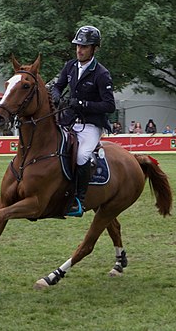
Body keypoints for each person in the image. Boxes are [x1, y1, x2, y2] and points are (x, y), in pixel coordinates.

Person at [52, 25, 115, 216]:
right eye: (78, 45)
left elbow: (109, 105)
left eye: (84, 46)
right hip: (70, 120)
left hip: (91, 124)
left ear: (94, 48)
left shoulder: (102, 74)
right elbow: (57, 86)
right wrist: (55, 96)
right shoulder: (70, 66)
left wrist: (82, 103)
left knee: (81, 156)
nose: (79, 49)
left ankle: (78, 199)